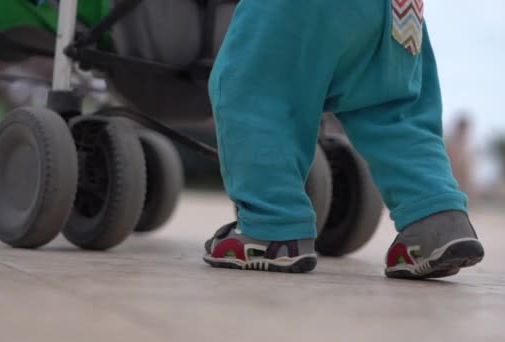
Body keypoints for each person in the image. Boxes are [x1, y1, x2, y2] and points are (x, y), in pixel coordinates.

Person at [203, 0, 485, 278]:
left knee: (257, 91)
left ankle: (271, 228)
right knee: (394, 111)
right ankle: (437, 217)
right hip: (400, 8)